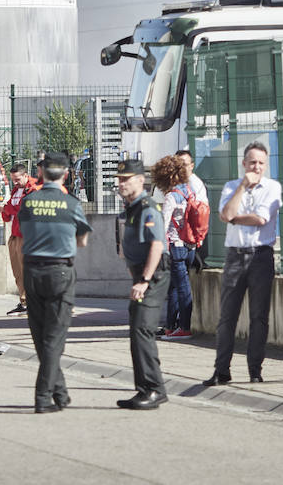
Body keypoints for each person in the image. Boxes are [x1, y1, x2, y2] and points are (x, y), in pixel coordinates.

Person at [18, 150, 92, 413]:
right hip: (59, 271)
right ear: (66, 173)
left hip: (31, 271)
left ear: (42, 172)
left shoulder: (28, 201)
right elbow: (82, 240)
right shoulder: (71, 203)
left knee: (40, 335)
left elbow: (24, 234)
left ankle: (60, 392)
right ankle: (42, 396)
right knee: (54, 337)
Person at [204, 141, 281, 386]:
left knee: (259, 317)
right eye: (252, 162)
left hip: (261, 256)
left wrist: (234, 218)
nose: (256, 167)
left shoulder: (273, 187)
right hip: (235, 256)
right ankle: (221, 370)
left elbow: (261, 218)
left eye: (260, 163)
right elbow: (225, 214)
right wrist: (241, 189)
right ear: (244, 163)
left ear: (265, 165)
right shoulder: (230, 187)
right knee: (227, 316)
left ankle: (255, 370)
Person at [115, 157, 168, 410]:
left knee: (143, 331)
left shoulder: (148, 207)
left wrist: (145, 280)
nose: (121, 183)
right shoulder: (133, 207)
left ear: (140, 180)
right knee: (137, 331)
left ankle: (155, 389)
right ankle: (145, 389)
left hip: (153, 276)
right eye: (119, 179)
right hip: (141, 275)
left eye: (126, 179)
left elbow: (157, 245)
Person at [153, 151, 209, 341]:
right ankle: (171, 326)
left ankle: (183, 327)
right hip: (191, 246)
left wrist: (160, 249)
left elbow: (163, 224)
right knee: (176, 286)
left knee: (181, 287)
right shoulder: (190, 191)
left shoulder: (172, 196)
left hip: (176, 246)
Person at [0, 161, 38, 315]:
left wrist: (6, 209)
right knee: (17, 271)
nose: (15, 182)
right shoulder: (16, 190)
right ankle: (24, 301)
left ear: (26, 176)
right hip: (15, 235)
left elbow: (23, 208)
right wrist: (5, 210)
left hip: (26, 236)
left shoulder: (32, 189)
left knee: (27, 269)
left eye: (17, 179)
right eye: (13, 179)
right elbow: (9, 212)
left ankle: (32, 301)